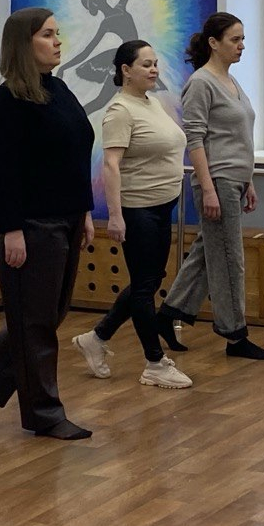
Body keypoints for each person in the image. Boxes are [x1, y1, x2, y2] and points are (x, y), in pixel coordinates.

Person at [0, 7, 96, 439]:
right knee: (35, 324)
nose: (58, 41)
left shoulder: (58, 89)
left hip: (67, 218)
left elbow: (76, 155)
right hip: (32, 225)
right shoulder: (8, 101)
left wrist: (85, 211)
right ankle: (44, 413)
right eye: (48, 34)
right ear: (24, 43)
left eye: (57, 34)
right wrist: (12, 229)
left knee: (48, 315)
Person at [71, 40, 192, 390]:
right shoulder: (120, 110)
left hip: (162, 205)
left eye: (155, 63)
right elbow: (111, 165)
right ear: (125, 70)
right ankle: (154, 363)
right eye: (146, 64)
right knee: (143, 288)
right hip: (137, 209)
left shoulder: (150, 102)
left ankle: (96, 338)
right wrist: (115, 216)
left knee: (149, 281)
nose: (154, 70)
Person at [154, 12, 264, 360]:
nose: (242, 46)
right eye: (235, 39)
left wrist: (248, 180)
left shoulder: (231, 82)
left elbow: (238, 137)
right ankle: (235, 335)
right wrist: (207, 189)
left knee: (210, 252)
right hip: (217, 180)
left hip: (234, 180)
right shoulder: (201, 83)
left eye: (243, 39)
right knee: (229, 259)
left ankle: (170, 312)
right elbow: (195, 139)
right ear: (213, 43)